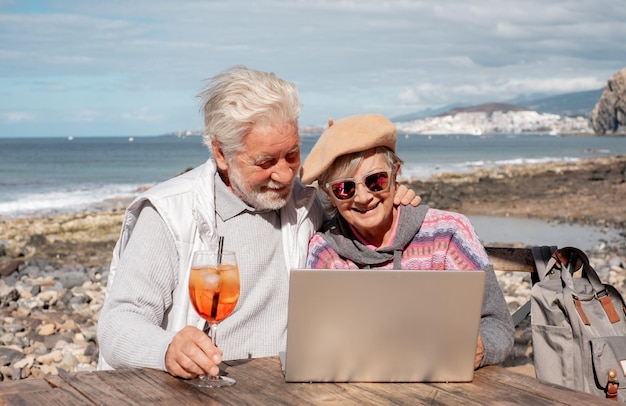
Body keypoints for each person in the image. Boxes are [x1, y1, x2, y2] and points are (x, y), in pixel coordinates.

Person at [97, 66, 420, 379]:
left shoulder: (306, 203)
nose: (284, 174)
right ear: (221, 154)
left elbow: (359, 222)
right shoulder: (169, 214)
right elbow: (117, 325)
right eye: (265, 162)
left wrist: (393, 201)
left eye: (292, 155)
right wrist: (167, 349)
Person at [300, 114, 514, 369]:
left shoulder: (448, 234)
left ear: (395, 173)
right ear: (329, 194)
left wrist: (481, 348)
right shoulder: (324, 252)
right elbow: (320, 342)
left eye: (375, 181)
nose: (363, 198)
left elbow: (498, 324)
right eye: (345, 188)